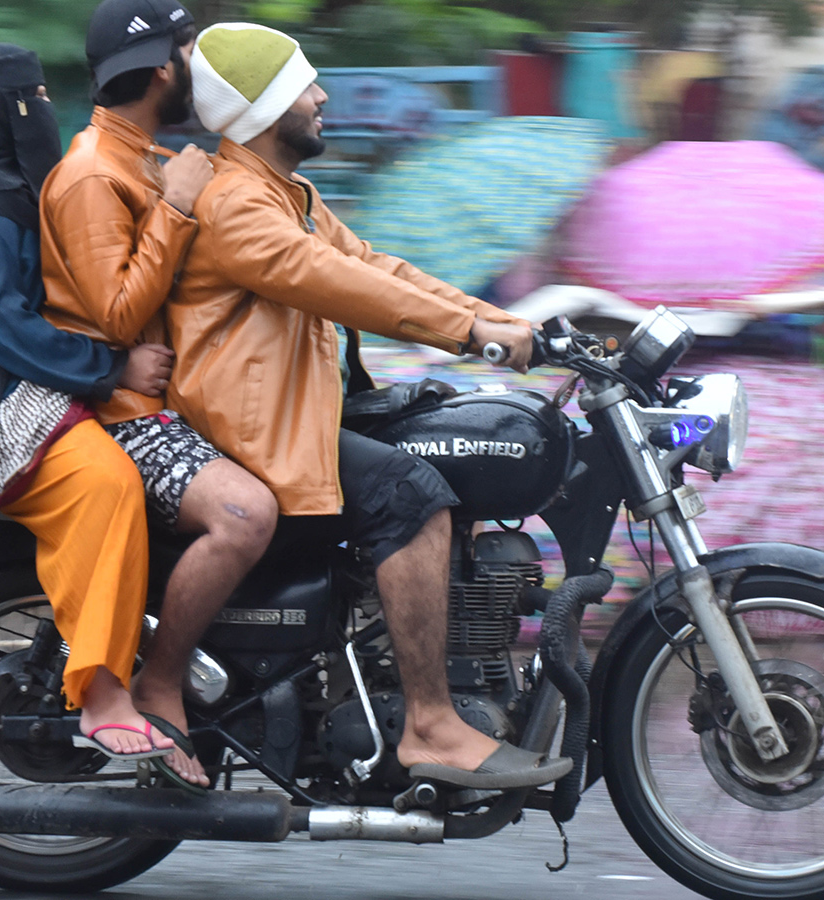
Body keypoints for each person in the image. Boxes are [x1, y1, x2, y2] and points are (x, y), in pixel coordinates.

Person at [168, 22, 571, 789]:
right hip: (252, 437)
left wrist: (509, 323)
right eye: (304, 87)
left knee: (439, 439)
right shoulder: (236, 207)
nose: (322, 97)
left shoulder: (291, 195)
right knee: (412, 496)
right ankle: (429, 723)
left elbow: (379, 267)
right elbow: (336, 284)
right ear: (263, 109)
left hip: (297, 415)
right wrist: (470, 331)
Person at [0, 43, 180, 760]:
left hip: (13, 384)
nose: (45, 111)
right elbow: (0, 325)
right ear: (2, 110)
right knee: (106, 483)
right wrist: (111, 366)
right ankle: (102, 689)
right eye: (33, 97)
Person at [40, 0, 278, 790]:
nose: (196, 68)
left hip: (175, 399)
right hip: (122, 418)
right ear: (162, 69)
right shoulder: (89, 175)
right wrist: (175, 206)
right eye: (187, 51)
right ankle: (161, 681)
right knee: (247, 514)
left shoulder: (149, 158)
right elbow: (115, 313)